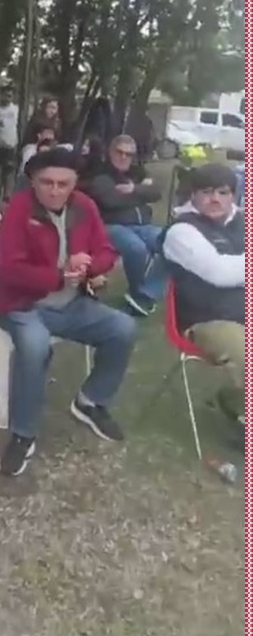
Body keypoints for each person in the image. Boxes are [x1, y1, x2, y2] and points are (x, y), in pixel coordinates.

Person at [0, 148, 137, 477]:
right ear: (33, 181)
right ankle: (23, 433)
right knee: (35, 347)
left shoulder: (84, 206)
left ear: (74, 183)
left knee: (123, 328)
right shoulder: (18, 210)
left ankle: (90, 401)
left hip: (72, 303)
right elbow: (9, 269)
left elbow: (106, 250)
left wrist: (89, 265)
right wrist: (60, 276)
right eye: (47, 182)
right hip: (23, 304)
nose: (55, 191)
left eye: (64, 184)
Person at [162, 163, 244, 438]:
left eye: (223, 192)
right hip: (207, 320)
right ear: (193, 195)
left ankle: (233, 399)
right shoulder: (181, 232)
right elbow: (218, 273)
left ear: (233, 195)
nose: (215, 199)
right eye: (207, 192)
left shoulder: (242, 221)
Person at [88, 135, 167, 316]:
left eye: (129, 154)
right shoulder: (101, 175)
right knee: (136, 248)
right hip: (111, 225)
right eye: (119, 152)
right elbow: (110, 201)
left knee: (170, 242)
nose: (123, 157)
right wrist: (142, 192)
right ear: (110, 152)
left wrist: (133, 189)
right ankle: (137, 293)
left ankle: (147, 294)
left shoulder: (138, 172)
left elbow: (157, 193)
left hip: (143, 226)